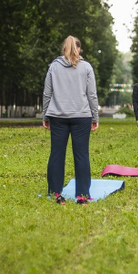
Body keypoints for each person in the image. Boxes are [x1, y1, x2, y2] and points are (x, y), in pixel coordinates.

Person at [43, 36, 99, 205]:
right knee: (81, 155)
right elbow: (92, 95)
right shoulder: (86, 67)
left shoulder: (54, 66)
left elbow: (47, 93)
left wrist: (45, 115)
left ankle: (56, 194)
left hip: (57, 117)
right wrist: (95, 116)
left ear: (63, 49)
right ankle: (82, 196)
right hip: (82, 116)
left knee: (56, 155)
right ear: (79, 49)